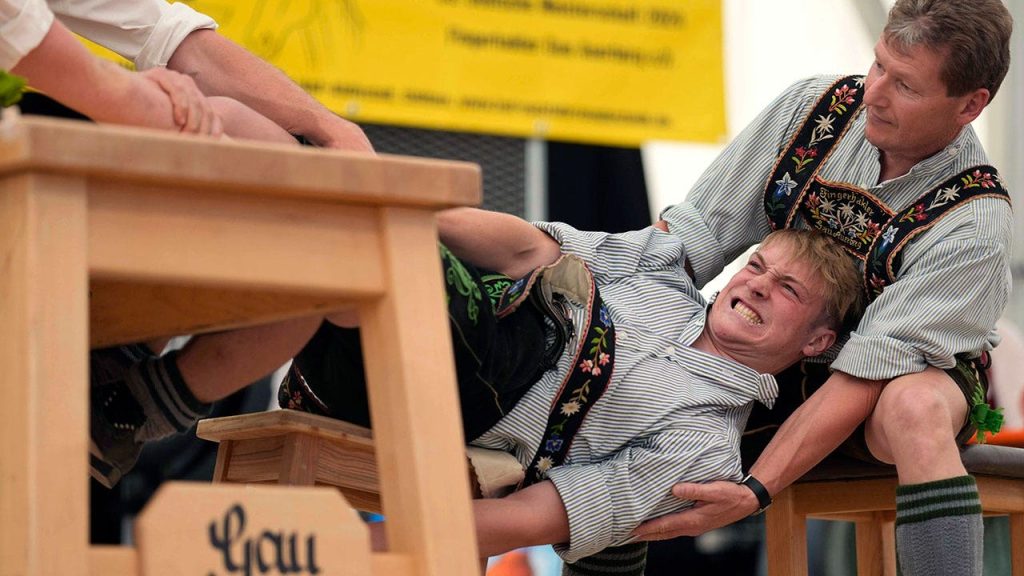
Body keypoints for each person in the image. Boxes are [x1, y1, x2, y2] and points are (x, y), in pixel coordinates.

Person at [618, 2, 1013, 575]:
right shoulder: (812, 108)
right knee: (624, 371)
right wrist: (615, 323)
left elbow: (866, 370)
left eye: (904, 84)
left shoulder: (975, 222)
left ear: (971, 104)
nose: (873, 93)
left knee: (914, 406)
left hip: (886, 390)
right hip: (771, 360)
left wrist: (758, 488)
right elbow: (693, 237)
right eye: (877, 65)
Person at [277, 207, 865, 563]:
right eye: (757, 267)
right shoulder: (659, 270)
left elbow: (535, 515)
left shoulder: (705, 446)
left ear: (817, 342)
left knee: (362, 261)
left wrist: (346, 552)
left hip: (468, 394)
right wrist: (400, 217)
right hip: (408, 334)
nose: (758, 285)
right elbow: (527, 249)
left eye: (789, 289)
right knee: (326, 216)